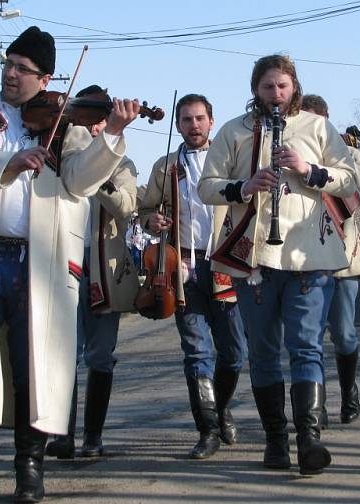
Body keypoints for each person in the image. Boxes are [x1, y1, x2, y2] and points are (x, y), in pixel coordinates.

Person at [0, 26, 139, 502]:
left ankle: (30, 464)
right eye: (7, 63)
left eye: (21, 68)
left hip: (41, 262)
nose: (10, 73)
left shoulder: (65, 127)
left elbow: (79, 182)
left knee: (36, 364)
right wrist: (8, 163)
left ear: (45, 78)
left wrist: (110, 135)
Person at [197, 56, 359, 475]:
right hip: (254, 260)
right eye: (268, 87)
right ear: (256, 89)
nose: (276, 94)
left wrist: (310, 170)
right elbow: (206, 186)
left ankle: (309, 440)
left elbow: (350, 179)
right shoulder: (234, 131)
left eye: (283, 86)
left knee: (306, 347)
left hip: (309, 257)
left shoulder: (316, 127)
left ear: (294, 88)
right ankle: (275, 439)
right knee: (265, 352)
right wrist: (244, 186)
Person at [140, 93, 244, 460]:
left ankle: (220, 407)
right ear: (177, 125)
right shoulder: (165, 167)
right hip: (182, 267)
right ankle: (208, 430)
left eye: (200, 118)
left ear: (211, 121)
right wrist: (151, 221)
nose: (193, 125)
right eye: (186, 120)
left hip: (225, 265)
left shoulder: (230, 162)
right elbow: (145, 209)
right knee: (197, 352)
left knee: (234, 352)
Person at [45, 85, 138, 459]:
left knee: (99, 355)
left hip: (103, 268)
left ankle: (93, 436)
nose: (95, 130)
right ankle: (61, 435)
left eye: (103, 122)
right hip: (62, 262)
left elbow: (128, 207)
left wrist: (99, 174)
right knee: (63, 353)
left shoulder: (123, 163)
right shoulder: (61, 155)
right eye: (89, 122)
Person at [301, 96, 360, 425]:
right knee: (310, 336)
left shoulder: (345, 153)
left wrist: (353, 154)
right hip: (305, 258)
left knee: (344, 333)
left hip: (343, 258)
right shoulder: (296, 156)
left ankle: (349, 392)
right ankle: (316, 406)